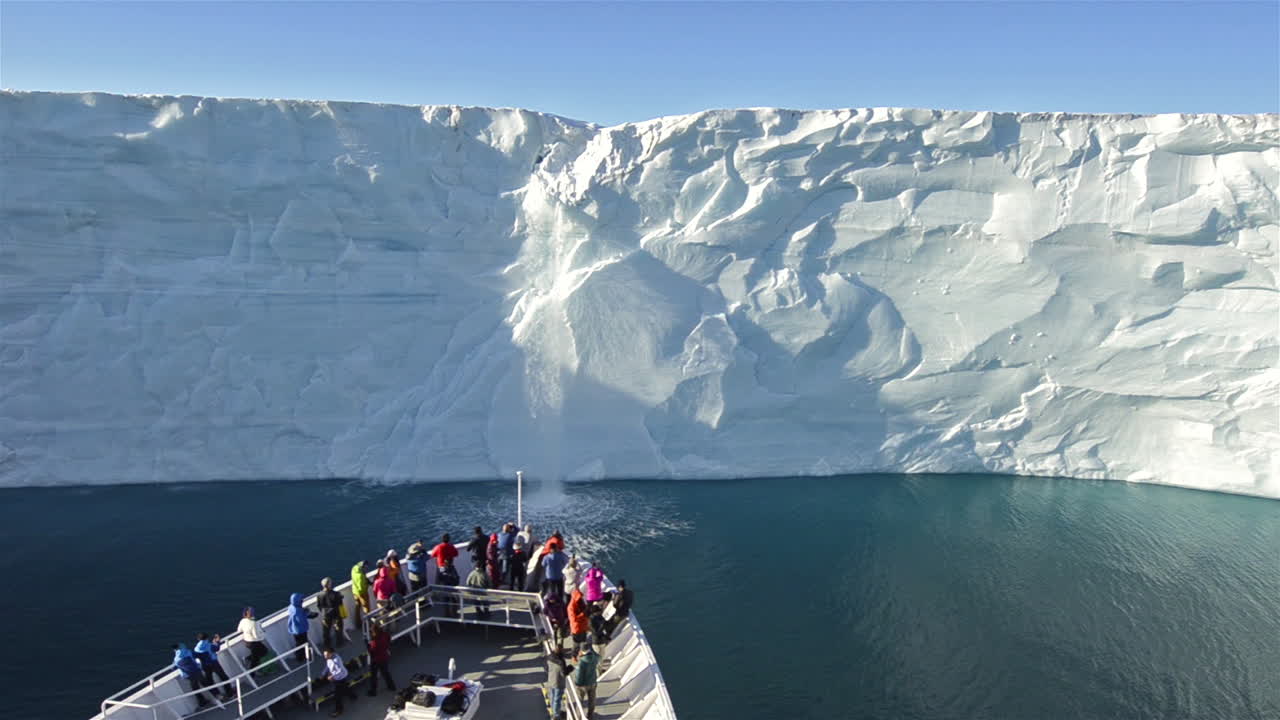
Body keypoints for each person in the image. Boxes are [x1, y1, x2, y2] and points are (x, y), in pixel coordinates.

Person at [172, 643, 212, 708]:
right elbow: (195, 656)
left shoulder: (176, 659)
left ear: (174, 650)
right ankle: (216, 695)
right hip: (197, 671)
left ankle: (202, 702)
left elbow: (174, 667)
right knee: (205, 683)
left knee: (195, 688)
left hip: (189, 675)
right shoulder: (188, 652)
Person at [193, 633, 232, 700]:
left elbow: (195, 656)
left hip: (205, 665)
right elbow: (217, 648)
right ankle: (230, 694)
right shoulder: (209, 645)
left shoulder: (196, 648)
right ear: (207, 638)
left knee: (210, 680)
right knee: (224, 677)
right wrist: (217, 642)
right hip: (214, 664)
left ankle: (218, 695)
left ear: (198, 639)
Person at [322, 647, 357, 717]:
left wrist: (332, 676)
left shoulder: (336, 659)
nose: (325, 656)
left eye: (326, 655)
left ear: (331, 654)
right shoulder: (329, 658)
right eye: (324, 655)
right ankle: (353, 696)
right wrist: (323, 672)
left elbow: (339, 670)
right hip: (337, 678)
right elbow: (328, 665)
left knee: (337, 696)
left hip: (341, 678)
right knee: (345, 687)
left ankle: (339, 710)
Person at [365, 622, 395, 697]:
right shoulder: (385, 634)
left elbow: (371, 652)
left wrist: (367, 645)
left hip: (376, 660)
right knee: (386, 673)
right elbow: (389, 639)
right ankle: (392, 686)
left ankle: (373, 691)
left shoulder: (374, 642)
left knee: (374, 676)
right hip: (384, 657)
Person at [572, 645, 601, 718]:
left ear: (581, 652)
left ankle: (578, 717)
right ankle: (590, 715)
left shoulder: (581, 662)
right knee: (592, 700)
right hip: (592, 682)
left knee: (579, 701)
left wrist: (577, 684)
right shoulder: (594, 657)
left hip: (583, 685)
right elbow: (599, 656)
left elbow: (579, 675)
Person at [237, 607, 269, 672]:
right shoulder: (254, 623)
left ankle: (247, 659)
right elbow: (256, 636)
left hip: (247, 642)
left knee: (257, 655)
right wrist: (262, 635)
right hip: (254, 643)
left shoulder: (242, 621)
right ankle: (252, 673)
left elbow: (239, 630)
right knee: (262, 653)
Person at [316, 577, 345, 649]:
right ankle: (339, 643)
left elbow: (319, 606)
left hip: (325, 615)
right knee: (338, 628)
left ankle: (327, 645)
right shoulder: (336, 594)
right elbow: (340, 603)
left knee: (326, 631)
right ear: (329, 585)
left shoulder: (319, 595)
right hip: (335, 614)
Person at [287, 592, 317, 661]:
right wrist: (306, 612)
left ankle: (300, 656)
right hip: (300, 630)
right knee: (303, 644)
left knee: (298, 644)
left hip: (293, 629)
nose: (302, 601)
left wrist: (303, 610)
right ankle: (302, 657)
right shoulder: (298, 611)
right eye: (301, 600)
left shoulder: (291, 607)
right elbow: (301, 619)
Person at [545, 647, 570, 720]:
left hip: (551, 680)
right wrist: (570, 668)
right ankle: (556, 715)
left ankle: (554, 711)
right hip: (559, 682)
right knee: (557, 699)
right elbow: (564, 673)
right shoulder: (561, 662)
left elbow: (547, 669)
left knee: (553, 696)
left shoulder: (549, 658)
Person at [567, 587, 591, 654]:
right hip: (576, 628)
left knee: (584, 640)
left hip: (583, 626)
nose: (580, 599)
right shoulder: (571, 607)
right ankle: (574, 655)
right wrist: (583, 614)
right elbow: (574, 619)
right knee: (576, 643)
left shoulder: (581, 602)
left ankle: (582, 652)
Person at [350, 560, 371, 627]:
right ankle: (368, 624)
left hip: (355, 592)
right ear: (363, 567)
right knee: (366, 608)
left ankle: (358, 624)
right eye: (366, 567)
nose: (367, 569)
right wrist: (367, 585)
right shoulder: (361, 576)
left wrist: (367, 580)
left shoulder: (354, 569)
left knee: (358, 607)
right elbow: (362, 588)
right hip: (362, 593)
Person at [497, 523, 517, 587]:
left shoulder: (499, 534)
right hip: (507, 554)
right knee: (505, 569)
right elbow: (517, 530)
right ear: (509, 529)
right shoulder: (510, 535)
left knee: (499, 567)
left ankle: (497, 580)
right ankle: (503, 581)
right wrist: (513, 525)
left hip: (499, 553)